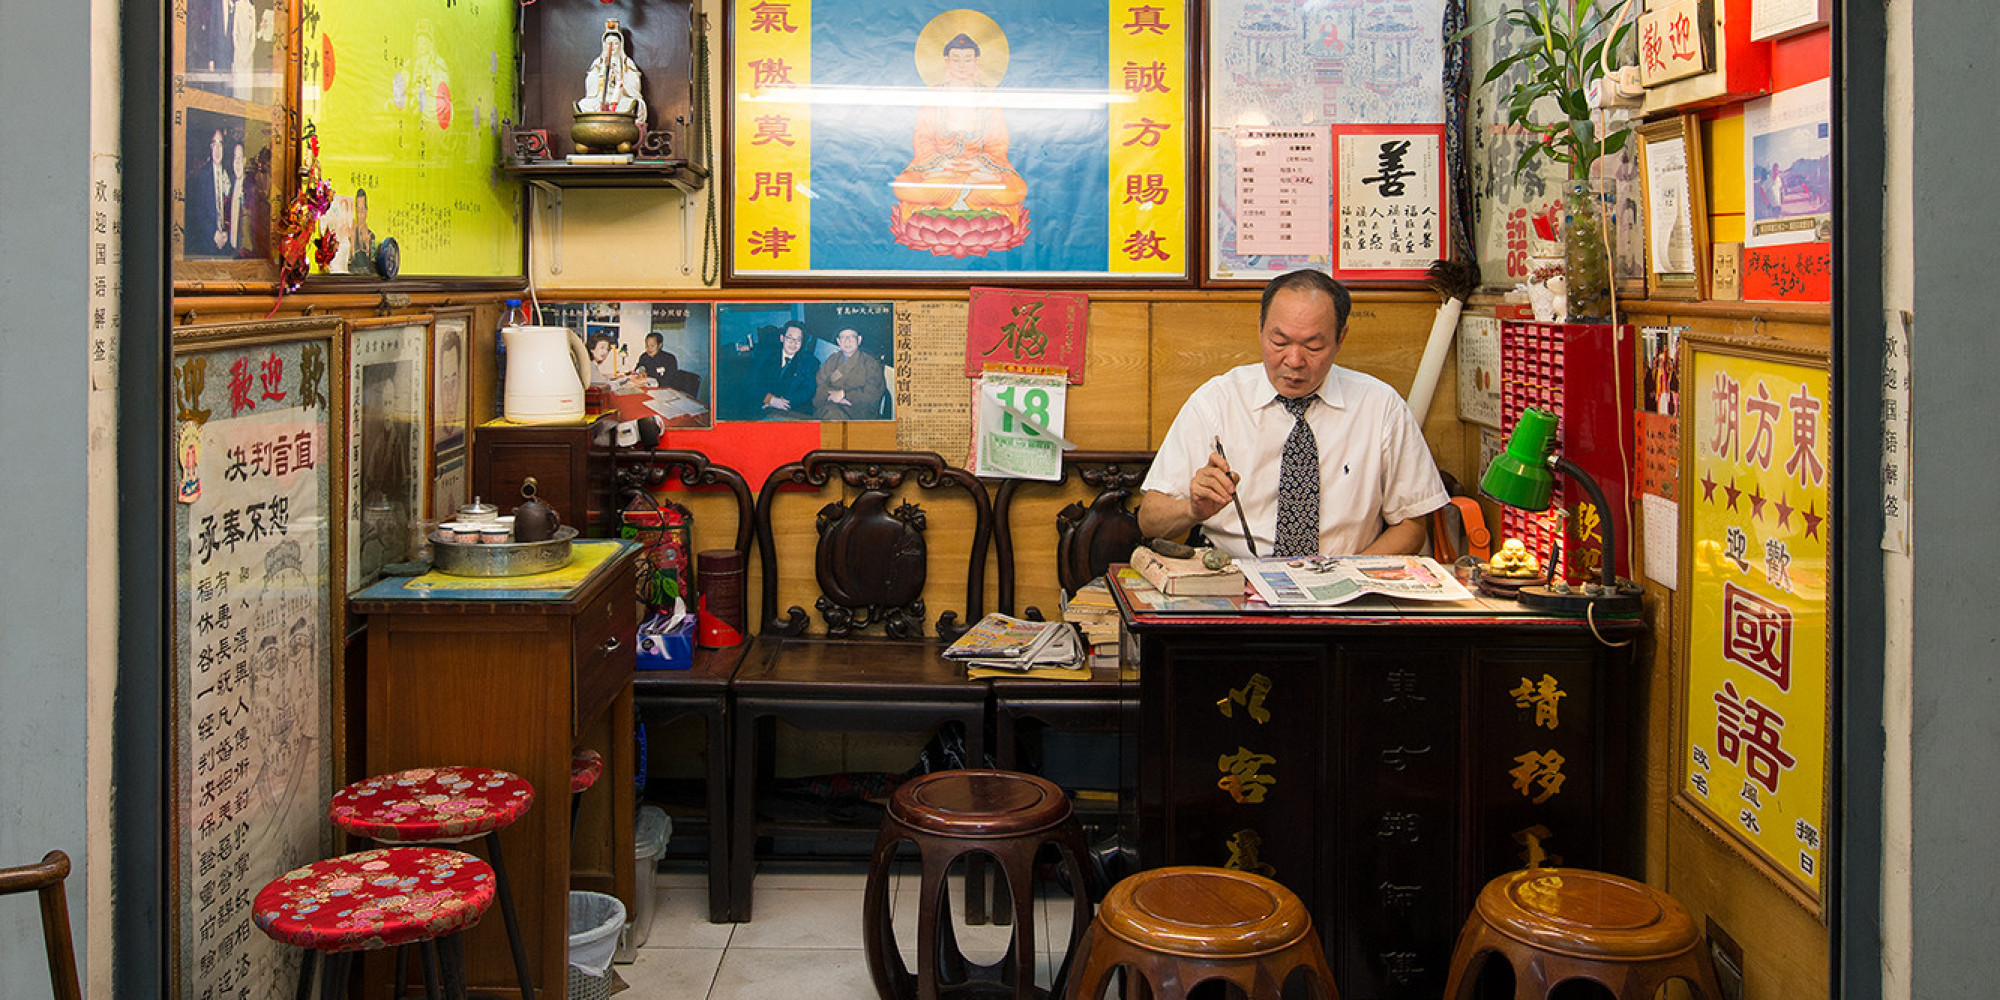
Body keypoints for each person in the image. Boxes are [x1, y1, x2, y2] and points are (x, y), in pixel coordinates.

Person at [1137, 269, 1447, 559]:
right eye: (1279, 342)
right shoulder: (1216, 401)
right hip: (1232, 585)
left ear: (1340, 338)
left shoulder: (1381, 406)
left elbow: (1411, 526)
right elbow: (1149, 520)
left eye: (1313, 347)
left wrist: (1345, 581)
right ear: (1260, 329)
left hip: (1345, 586)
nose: (1294, 360)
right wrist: (1193, 509)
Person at [891, 30, 1028, 254]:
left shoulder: (989, 98)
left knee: (1017, 189)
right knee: (902, 184)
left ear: (977, 63)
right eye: (956, 59)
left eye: (967, 60)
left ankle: (956, 195)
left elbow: (998, 143)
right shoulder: (932, 96)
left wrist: (978, 167)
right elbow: (923, 139)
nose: (962, 66)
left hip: (981, 171)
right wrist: (942, 164)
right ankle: (967, 196)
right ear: (946, 62)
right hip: (939, 170)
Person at [575, 19, 647, 128]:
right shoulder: (598, 63)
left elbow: (634, 88)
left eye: (615, 43)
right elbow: (590, 88)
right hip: (601, 99)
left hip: (620, 100)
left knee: (637, 104)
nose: (612, 47)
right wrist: (602, 78)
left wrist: (620, 79)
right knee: (583, 104)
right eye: (609, 43)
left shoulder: (626, 63)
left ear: (621, 45)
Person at [813, 328, 886, 420]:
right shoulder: (833, 359)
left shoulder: (870, 363)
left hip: (857, 410)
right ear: (838, 341)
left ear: (859, 340)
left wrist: (844, 395)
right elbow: (819, 382)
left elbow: (873, 393)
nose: (847, 341)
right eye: (843, 337)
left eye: (851, 337)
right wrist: (831, 396)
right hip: (830, 404)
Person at [756, 321, 818, 416]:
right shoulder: (766, 356)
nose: (793, 343)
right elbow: (752, 383)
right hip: (765, 404)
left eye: (798, 340)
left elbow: (809, 390)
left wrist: (782, 402)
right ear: (782, 338)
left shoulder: (809, 361)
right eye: (789, 338)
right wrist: (770, 400)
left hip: (793, 407)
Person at [347, 188, 375, 274]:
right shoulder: (351, 233)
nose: (360, 215)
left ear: (366, 211)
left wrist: (367, 244)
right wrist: (351, 243)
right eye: (358, 211)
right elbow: (348, 264)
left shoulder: (371, 235)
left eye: (362, 211)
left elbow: (373, 266)